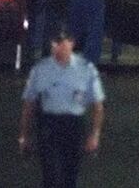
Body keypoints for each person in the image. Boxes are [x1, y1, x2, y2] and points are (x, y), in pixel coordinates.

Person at [19, 29, 105, 188]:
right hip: (49, 123)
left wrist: (95, 135)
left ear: (71, 43)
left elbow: (97, 106)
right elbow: (29, 103)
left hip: (74, 124)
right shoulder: (40, 69)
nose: (57, 47)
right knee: (49, 173)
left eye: (61, 42)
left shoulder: (86, 69)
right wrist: (24, 135)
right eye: (54, 43)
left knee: (70, 174)